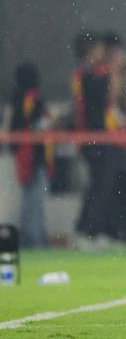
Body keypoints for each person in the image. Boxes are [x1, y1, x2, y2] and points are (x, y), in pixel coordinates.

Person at [71, 31, 122, 248]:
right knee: (99, 186)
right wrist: (115, 71)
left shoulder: (94, 73)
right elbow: (109, 98)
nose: (104, 53)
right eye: (100, 49)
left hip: (102, 137)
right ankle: (84, 233)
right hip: (93, 138)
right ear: (90, 52)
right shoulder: (86, 75)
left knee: (106, 185)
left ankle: (102, 232)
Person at [8, 63, 53, 248]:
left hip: (26, 154)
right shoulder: (30, 98)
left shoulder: (18, 98)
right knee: (34, 200)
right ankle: (34, 240)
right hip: (32, 156)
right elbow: (35, 125)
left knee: (33, 199)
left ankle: (35, 238)